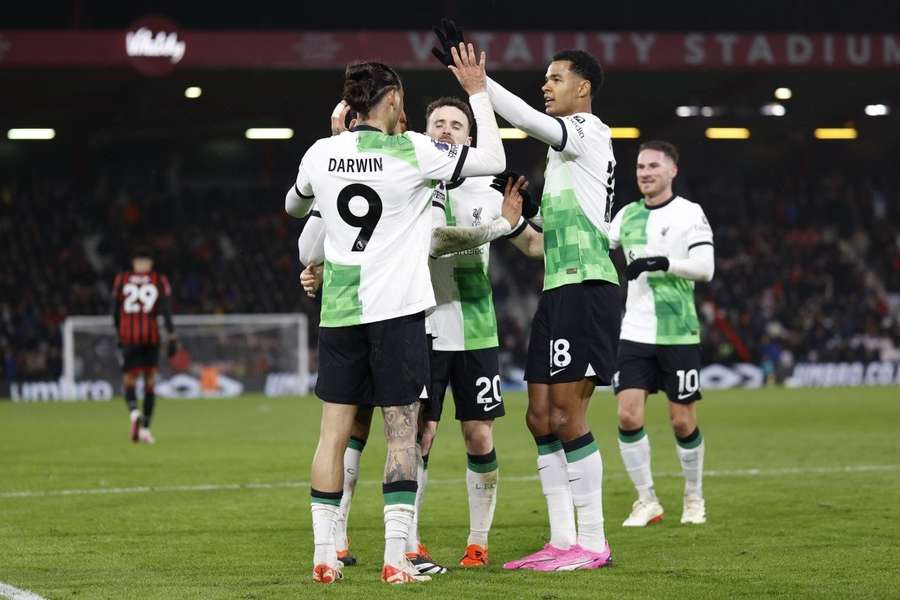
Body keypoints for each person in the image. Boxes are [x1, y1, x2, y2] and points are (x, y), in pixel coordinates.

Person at [284, 45, 507, 585]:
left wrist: (336, 145)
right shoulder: (412, 150)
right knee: (402, 434)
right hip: (399, 314)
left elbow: (296, 209)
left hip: (340, 314)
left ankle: (323, 554)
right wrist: (478, 93)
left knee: (332, 436)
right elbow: (495, 161)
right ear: (389, 101)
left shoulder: (321, 153)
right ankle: (393, 558)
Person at [432, 21, 619, 572]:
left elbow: (526, 121)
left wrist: (479, 84)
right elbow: (544, 239)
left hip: (587, 287)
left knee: (568, 415)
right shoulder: (565, 158)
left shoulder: (589, 129)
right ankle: (561, 540)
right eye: (545, 78)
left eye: (555, 78)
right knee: (539, 416)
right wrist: (528, 210)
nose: (547, 85)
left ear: (582, 88)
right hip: (558, 288)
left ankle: (594, 541)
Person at [608, 140, 714, 527]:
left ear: (672, 171)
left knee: (682, 421)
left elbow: (705, 268)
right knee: (627, 415)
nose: (645, 173)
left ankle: (693, 495)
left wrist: (663, 262)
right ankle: (646, 499)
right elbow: (598, 244)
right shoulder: (626, 216)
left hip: (678, 332)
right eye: (639, 167)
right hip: (634, 331)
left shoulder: (690, 214)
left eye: (653, 166)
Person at [110, 248, 177, 444]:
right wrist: (172, 336)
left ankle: (133, 411)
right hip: (151, 337)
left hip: (130, 338)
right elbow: (165, 311)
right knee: (150, 382)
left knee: (129, 379)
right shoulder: (159, 279)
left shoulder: (122, 279)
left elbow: (114, 310)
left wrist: (119, 333)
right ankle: (146, 429)